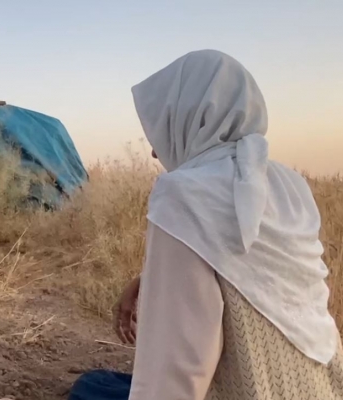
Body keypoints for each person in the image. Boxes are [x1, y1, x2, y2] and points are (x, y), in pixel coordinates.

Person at [112, 50, 343, 399]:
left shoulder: (184, 192)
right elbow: (253, 272)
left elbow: (178, 370)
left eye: (160, 129)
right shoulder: (287, 183)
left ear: (190, 119)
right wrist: (153, 277)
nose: (155, 153)